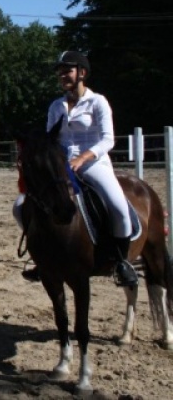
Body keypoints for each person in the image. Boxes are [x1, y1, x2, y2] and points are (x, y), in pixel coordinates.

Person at [22, 51, 137, 287]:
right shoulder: (56, 106)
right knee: (22, 206)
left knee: (118, 207)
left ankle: (121, 261)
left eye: (67, 70)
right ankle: (42, 259)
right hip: (63, 165)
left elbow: (108, 139)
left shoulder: (98, 102)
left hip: (95, 163)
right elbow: (51, 138)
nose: (62, 75)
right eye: (60, 72)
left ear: (82, 73)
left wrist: (83, 158)